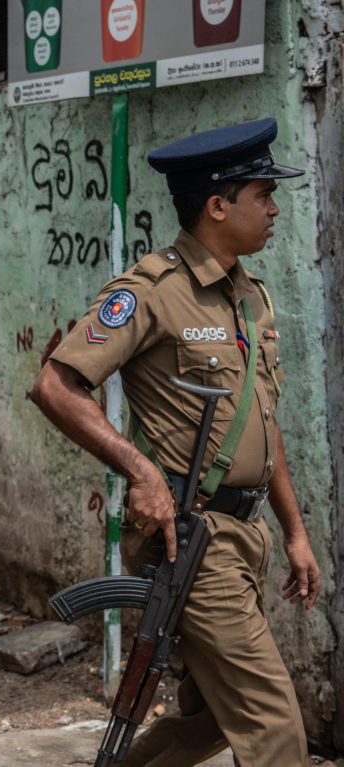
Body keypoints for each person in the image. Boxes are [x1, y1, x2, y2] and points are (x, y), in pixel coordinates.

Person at [31, 118, 319, 766]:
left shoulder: (251, 299)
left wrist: (295, 531)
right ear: (218, 204)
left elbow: (262, 423)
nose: (274, 208)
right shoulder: (150, 293)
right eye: (262, 194)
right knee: (275, 727)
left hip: (246, 537)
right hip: (189, 537)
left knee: (212, 717)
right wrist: (141, 471)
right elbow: (56, 384)